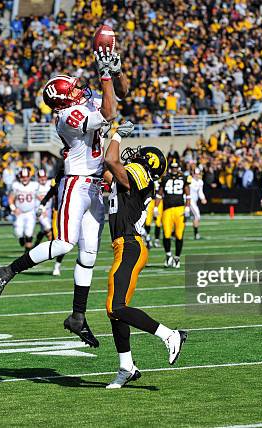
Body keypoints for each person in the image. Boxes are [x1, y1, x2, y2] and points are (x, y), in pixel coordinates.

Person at [0, 46, 129, 348]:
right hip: (76, 183)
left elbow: (122, 94)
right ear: (65, 99)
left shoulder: (79, 103)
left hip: (95, 186)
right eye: (75, 88)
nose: (81, 89)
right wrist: (104, 74)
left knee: (89, 254)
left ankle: (77, 316)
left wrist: (116, 71)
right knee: (65, 242)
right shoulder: (68, 115)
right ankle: (7, 271)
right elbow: (109, 112)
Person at [103, 123, 187, 388]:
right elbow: (107, 171)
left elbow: (110, 160)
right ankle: (126, 367)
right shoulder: (133, 174)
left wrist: (115, 136)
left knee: (115, 307)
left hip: (130, 244)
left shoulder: (141, 173)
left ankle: (170, 334)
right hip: (124, 245)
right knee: (116, 312)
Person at [157, 161, 191, 268]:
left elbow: (188, 194)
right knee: (166, 234)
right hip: (167, 210)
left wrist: (187, 207)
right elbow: (159, 194)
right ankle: (168, 256)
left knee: (179, 235)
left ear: (179, 168)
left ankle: (177, 258)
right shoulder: (165, 178)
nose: (174, 169)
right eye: (172, 167)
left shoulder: (184, 178)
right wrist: (155, 207)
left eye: (176, 168)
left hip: (180, 209)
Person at [9, 167, 39, 252]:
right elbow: (10, 198)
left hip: (30, 212)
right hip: (20, 212)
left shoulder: (34, 185)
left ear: (29, 177)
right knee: (18, 233)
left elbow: (39, 198)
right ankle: (21, 239)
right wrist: (14, 208)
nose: (24, 179)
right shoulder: (16, 185)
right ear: (20, 177)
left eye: (26, 177)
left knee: (28, 233)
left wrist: (42, 209)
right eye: (23, 177)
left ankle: (27, 253)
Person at [143, 179, 163, 249]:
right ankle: (147, 239)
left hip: (159, 201)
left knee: (158, 222)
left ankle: (157, 240)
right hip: (150, 200)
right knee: (147, 222)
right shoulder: (148, 176)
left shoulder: (161, 178)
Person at [189, 167, 207, 239]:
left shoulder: (200, 182)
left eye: (198, 174)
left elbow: (200, 191)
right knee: (197, 216)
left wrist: (203, 198)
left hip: (194, 201)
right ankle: (196, 235)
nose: (197, 175)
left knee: (184, 217)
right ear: (193, 174)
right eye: (196, 174)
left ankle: (173, 233)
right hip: (189, 201)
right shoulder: (190, 180)